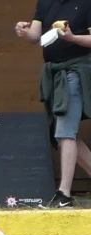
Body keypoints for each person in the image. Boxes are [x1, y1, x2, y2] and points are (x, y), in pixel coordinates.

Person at [17, 6, 91, 207]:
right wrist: (25, 31)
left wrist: (73, 38)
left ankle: (64, 194)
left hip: (76, 70)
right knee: (58, 132)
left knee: (66, 131)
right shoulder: (46, 2)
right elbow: (36, 35)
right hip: (54, 73)